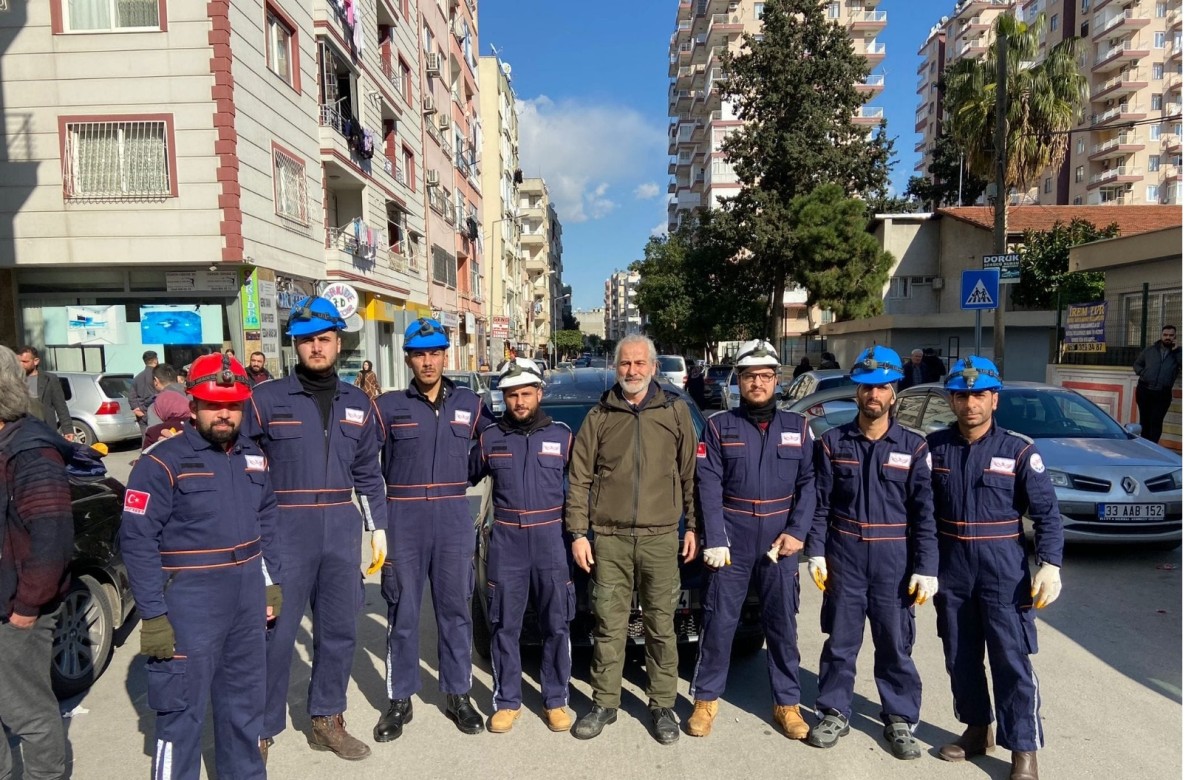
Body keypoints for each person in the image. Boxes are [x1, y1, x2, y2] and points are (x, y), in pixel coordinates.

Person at [120, 354, 281, 780]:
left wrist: (270, 582)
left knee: (245, 711)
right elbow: (136, 542)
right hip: (189, 604)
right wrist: (153, 615)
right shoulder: (161, 463)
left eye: (232, 404)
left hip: (246, 601)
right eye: (212, 404)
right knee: (180, 719)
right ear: (192, 404)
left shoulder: (255, 457)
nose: (223, 413)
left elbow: (268, 520)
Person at [245, 296, 388, 762]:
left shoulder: (357, 404)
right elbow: (244, 470)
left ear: (338, 343)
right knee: (276, 633)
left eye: (324, 339)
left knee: (339, 629)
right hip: (284, 527)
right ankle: (261, 728)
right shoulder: (265, 400)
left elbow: (367, 472)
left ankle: (326, 718)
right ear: (295, 345)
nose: (316, 347)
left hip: (340, 530)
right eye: (306, 340)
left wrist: (376, 527)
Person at [927, 356, 1064, 780]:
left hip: (1003, 570)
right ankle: (976, 730)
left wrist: (1051, 565)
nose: (971, 404)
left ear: (994, 399)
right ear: (952, 400)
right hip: (952, 567)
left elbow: (1047, 515)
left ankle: (1023, 749)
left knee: (1011, 659)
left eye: (980, 395)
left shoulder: (1019, 450)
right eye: (963, 395)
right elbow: (919, 512)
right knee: (960, 655)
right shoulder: (934, 449)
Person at [804, 346, 937, 759]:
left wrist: (926, 567)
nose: (872, 395)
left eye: (881, 387)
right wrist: (816, 552)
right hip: (844, 553)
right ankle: (833, 710)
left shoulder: (914, 447)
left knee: (895, 642)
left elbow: (925, 513)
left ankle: (898, 718)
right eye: (865, 388)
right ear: (856, 393)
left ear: (894, 391)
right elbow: (819, 504)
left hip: (894, 559)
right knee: (841, 641)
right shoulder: (832, 443)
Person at [565, 334, 698, 744]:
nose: (633, 371)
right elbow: (580, 478)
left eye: (640, 363)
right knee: (609, 624)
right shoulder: (599, 416)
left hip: (661, 539)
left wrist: (693, 527)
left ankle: (662, 705)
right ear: (616, 368)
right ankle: (605, 702)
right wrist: (578, 533)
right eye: (625, 364)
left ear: (653, 368)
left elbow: (691, 476)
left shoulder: (674, 413)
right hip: (610, 538)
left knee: (661, 626)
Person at [685, 339, 815, 742]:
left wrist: (797, 532)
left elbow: (811, 483)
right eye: (749, 376)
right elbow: (707, 482)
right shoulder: (720, 425)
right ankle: (705, 700)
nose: (757, 383)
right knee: (719, 622)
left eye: (764, 376)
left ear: (777, 379)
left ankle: (787, 703)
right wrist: (715, 536)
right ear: (738, 381)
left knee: (782, 625)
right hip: (734, 535)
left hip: (780, 540)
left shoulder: (798, 427)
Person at [373, 317, 495, 741]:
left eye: (435, 352)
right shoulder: (388, 407)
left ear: (446, 355)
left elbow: (492, 447)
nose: (428, 361)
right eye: (420, 353)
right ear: (408, 358)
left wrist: (469, 474)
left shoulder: (470, 403)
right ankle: (399, 699)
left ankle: (458, 694)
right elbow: (360, 458)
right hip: (403, 515)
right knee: (402, 610)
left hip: (451, 514)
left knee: (456, 610)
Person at [468, 358, 574, 734]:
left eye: (526, 393)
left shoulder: (562, 436)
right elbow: (460, 476)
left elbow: (581, 489)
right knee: (504, 626)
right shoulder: (490, 438)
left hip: (551, 540)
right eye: (512, 395)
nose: (519, 401)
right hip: (508, 540)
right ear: (504, 397)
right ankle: (507, 700)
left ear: (539, 393)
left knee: (556, 624)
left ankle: (556, 699)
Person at [0, 345, 73, 780]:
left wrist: (27, 609)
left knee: (27, 712)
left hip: (17, 609)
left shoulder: (30, 451)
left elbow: (51, 538)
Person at [1132, 325, 1181, 444]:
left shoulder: (1179, 352)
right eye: (1165, 335)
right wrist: (1144, 373)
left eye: (1171, 335)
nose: (1168, 338)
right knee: (1145, 421)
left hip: (1163, 393)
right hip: (1145, 390)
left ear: (1175, 337)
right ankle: (1144, 446)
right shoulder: (1150, 350)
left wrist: (1176, 351)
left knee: (1156, 421)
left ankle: (1153, 447)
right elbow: (1137, 364)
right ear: (1161, 336)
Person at [16, 345, 72, 437]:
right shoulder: (13, 379)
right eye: (18, 362)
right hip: (21, 431)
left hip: (45, 430)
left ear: (36, 361)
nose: (20, 365)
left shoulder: (49, 379)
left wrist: (68, 430)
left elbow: (61, 406)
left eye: (25, 362)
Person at [142, 365, 191, 450]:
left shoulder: (156, 404)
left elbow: (153, 438)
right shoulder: (194, 394)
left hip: (172, 451)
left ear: (156, 380)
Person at [130, 350, 160, 433]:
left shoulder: (137, 378)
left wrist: (136, 409)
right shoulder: (158, 376)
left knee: (146, 439)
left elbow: (131, 396)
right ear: (155, 360)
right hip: (156, 411)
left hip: (141, 413)